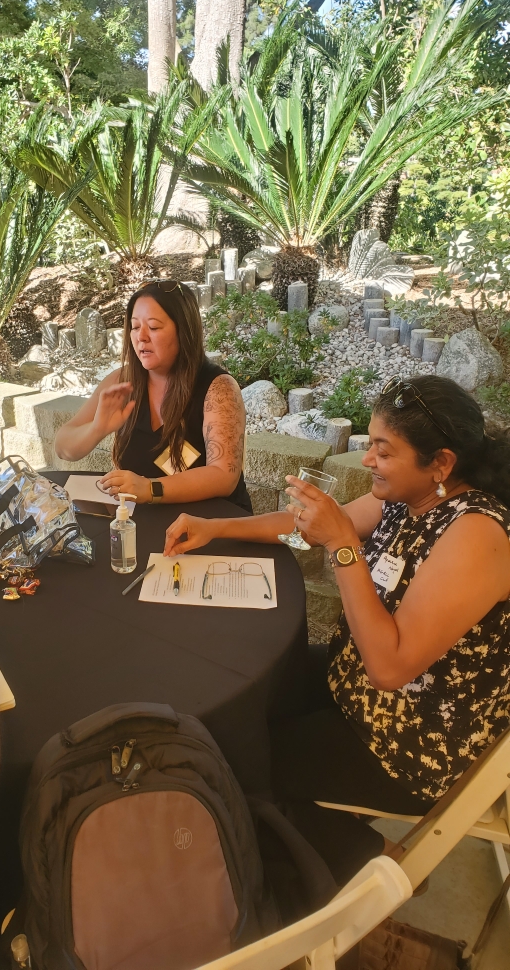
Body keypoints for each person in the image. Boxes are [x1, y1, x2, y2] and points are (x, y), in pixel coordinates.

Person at [163, 375, 510, 883]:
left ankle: (369, 864)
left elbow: (390, 667)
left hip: (410, 738)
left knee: (237, 771)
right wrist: (216, 527)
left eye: (384, 452)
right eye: (370, 444)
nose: (369, 460)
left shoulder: (477, 534)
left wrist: (344, 546)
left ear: (441, 463)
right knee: (240, 700)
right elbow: (304, 522)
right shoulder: (413, 495)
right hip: (353, 685)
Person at [54, 280, 251, 511]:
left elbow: (223, 476)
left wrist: (149, 489)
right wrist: (97, 428)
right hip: (146, 522)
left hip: (212, 526)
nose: (141, 337)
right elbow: (63, 447)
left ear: (184, 331)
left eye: (154, 327)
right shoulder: (123, 382)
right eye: (135, 327)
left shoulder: (218, 388)